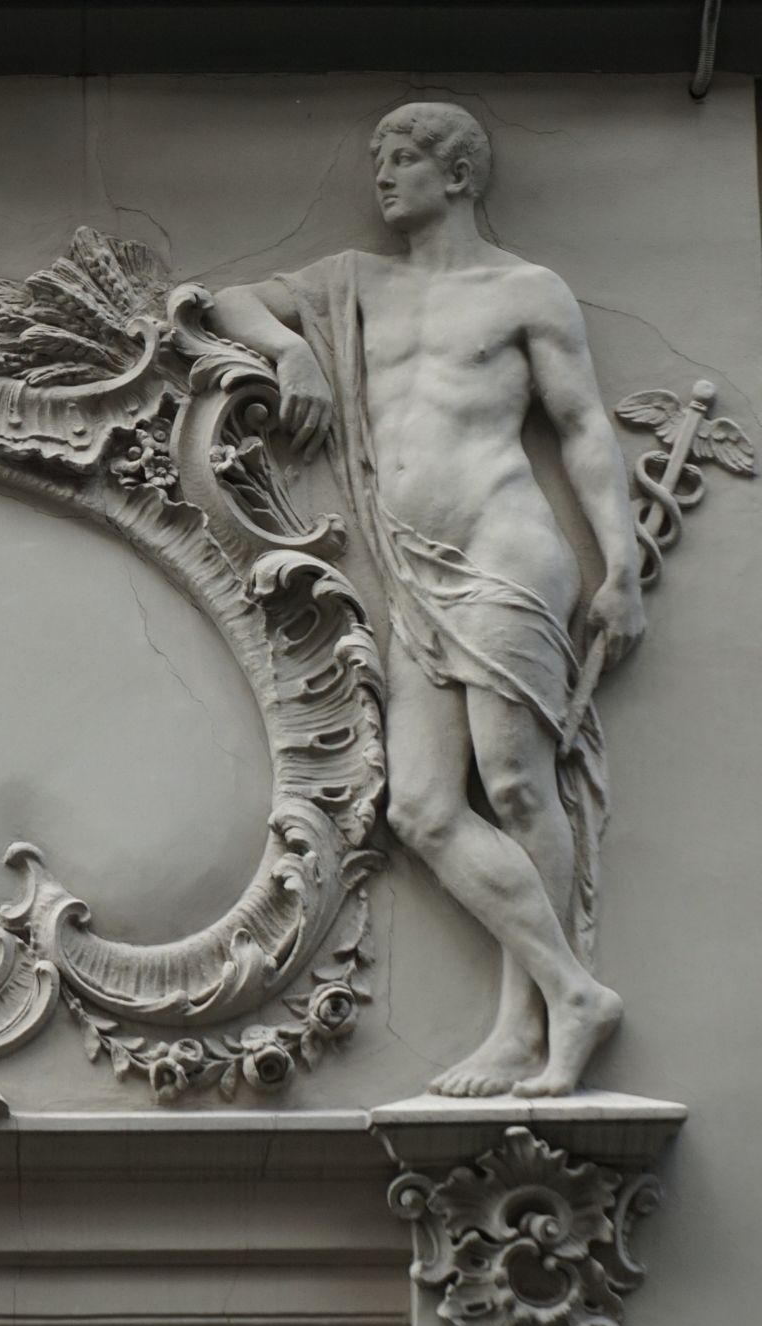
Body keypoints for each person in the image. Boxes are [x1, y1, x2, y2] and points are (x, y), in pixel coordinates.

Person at [206, 102, 645, 1097]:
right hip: (409, 569)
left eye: (403, 158)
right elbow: (231, 300)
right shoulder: (357, 284)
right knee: (423, 806)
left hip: (505, 549)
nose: (382, 175)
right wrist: (293, 350)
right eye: (379, 158)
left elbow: (581, 425)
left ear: (458, 175)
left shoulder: (525, 291)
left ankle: (525, 1029)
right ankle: (572, 992)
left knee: (517, 783)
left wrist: (618, 568)